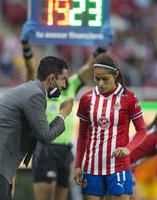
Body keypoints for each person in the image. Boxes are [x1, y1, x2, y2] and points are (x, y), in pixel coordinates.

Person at [20, 21, 112, 200]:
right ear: (52, 78)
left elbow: (90, 66)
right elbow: (30, 68)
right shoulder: (39, 90)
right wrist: (25, 45)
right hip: (45, 148)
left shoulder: (69, 87)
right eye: (63, 77)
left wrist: (102, 46)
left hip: (65, 150)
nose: (67, 80)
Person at [0, 55, 74, 200]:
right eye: (63, 79)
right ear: (52, 78)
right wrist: (62, 114)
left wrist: (9, 172)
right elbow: (45, 136)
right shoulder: (35, 95)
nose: (64, 85)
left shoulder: (30, 90)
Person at [73, 53, 147, 200]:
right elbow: (82, 135)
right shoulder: (86, 99)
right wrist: (77, 165)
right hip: (92, 167)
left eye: (105, 79)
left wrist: (127, 149)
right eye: (96, 79)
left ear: (116, 74)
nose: (100, 83)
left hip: (119, 167)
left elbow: (142, 131)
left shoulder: (129, 98)